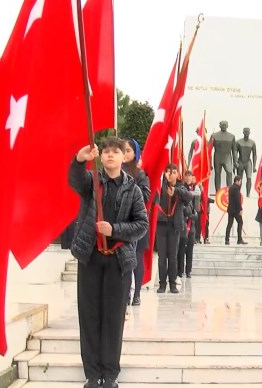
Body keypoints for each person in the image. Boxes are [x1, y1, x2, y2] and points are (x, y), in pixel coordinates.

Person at [68, 138, 148, 388]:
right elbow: (74, 180)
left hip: (118, 261)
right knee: (89, 315)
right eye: (106, 152)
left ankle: (110, 374)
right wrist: (79, 160)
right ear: (100, 157)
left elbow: (141, 225)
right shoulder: (92, 182)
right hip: (90, 258)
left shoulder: (133, 189)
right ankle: (92, 374)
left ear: (125, 157)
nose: (111, 155)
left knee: (113, 318)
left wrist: (114, 229)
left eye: (117, 151)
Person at [155, 164, 192, 294]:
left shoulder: (181, 187)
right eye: (169, 172)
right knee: (161, 257)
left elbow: (188, 196)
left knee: (173, 257)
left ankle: (172, 284)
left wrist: (175, 191)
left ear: (177, 174)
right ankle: (162, 283)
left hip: (174, 226)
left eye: (174, 172)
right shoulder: (160, 186)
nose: (171, 174)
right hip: (161, 224)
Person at [122, 138, 150, 308]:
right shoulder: (113, 172)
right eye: (122, 150)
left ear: (135, 153)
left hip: (136, 225)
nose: (124, 154)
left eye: (128, 150)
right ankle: (124, 294)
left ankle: (137, 293)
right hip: (119, 225)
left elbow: (146, 196)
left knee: (136, 260)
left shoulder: (140, 175)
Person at [178, 171, 201, 279]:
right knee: (181, 248)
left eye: (190, 176)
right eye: (186, 176)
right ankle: (180, 270)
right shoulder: (182, 188)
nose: (188, 178)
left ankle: (188, 271)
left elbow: (197, 205)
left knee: (190, 249)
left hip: (192, 223)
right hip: (183, 222)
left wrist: (195, 214)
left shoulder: (195, 189)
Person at [226, 175, 247, 245]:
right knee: (240, 222)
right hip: (235, 210)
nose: (240, 183)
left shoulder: (231, 188)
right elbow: (237, 200)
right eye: (240, 181)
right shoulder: (236, 188)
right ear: (237, 181)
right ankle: (239, 239)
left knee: (229, 224)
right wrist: (240, 209)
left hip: (230, 209)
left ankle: (227, 239)